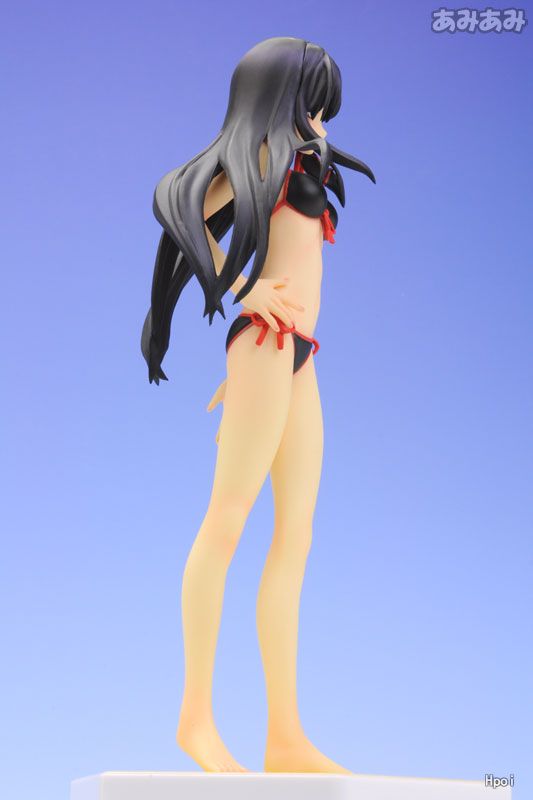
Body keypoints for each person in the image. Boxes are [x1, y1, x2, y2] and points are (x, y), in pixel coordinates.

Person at [141, 36, 376, 774]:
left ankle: (285, 736)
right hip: (268, 346)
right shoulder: (266, 155)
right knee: (227, 524)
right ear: (280, 100)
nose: (321, 122)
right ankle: (195, 721)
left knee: (294, 538)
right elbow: (183, 215)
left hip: (299, 357)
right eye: (312, 106)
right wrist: (244, 292)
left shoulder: (302, 158)